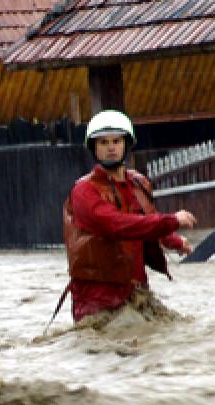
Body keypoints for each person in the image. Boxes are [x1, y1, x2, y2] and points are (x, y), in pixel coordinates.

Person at [62, 110, 196, 324]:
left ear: (126, 144)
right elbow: (117, 225)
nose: (111, 147)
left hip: (136, 291)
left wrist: (174, 240)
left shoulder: (138, 182)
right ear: (94, 148)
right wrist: (171, 221)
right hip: (97, 300)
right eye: (104, 142)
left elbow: (147, 220)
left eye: (116, 141)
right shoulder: (83, 191)